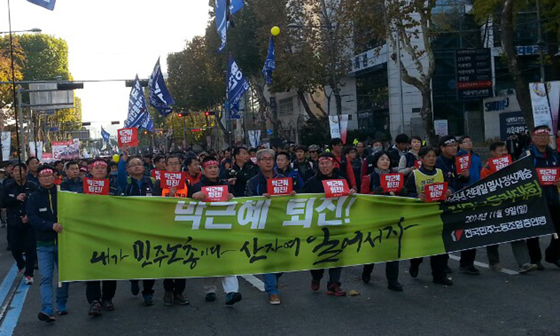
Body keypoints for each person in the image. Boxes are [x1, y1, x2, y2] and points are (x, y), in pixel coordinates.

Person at [188, 156, 242, 306]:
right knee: (210, 259)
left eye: (215, 167)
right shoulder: (196, 186)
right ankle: (209, 289)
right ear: (203, 170)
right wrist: (193, 196)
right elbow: (185, 206)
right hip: (205, 229)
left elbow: (238, 202)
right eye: (209, 168)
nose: (213, 170)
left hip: (225, 227)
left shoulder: (226, 186)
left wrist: (232, 197)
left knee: (227, 259)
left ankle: (231, 292)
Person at [300, 152, 355, 297]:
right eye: (321, 163)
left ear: (333, 164)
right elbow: (301, 198)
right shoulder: (312, 182)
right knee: (318, 255)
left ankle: (334, 284)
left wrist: (352, 193)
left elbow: (350, 198)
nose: (324, 166)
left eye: (327, 163)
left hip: (337, 223)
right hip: (318, 225)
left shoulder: (341, 180)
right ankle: (316, 276)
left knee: (337, 253)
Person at [480, 142, 537, 273]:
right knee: (494, 233)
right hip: (495, 206)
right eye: (501, 150)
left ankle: (524, 262)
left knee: (516, 230)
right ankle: (494, 261)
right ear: (493, 153)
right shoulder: (487, 169)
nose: (504, 152)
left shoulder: (513, 165)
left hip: (512, 205)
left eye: (505, 150)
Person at [27, 165, 70, 323]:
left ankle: (61, 302)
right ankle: (47, 308)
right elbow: (33, 218)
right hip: (43, 244)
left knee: (63, 276)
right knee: (45, 278)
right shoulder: (33, 197)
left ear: (54, 177)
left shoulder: (63, 194)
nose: (46, 178)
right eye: (43, 176)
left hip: (64, 242)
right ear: (38, 178)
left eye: (49, 175)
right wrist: (50, 225)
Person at [405, 146, 453, 286]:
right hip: (421, 216)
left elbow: (450, 187)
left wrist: (450, 190)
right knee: (420, 247)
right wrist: (416, 196)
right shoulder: (415, 175)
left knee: (440, 247)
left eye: (433, 156)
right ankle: (415, 263)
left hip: (437, 214)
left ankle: (439, 275)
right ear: (421, 159)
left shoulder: (440, 172)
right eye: (428, 156)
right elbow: (406, 193)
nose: (432, 159)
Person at [117, 146, 157, 306]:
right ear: (128, 169)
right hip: (131, 228)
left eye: (139, 164)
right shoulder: (126, 183)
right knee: (134, 257)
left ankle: (148, 291)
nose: (137, 166)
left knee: (150, 259)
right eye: (133, 165)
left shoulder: (152, 182)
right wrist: (123, 157)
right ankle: (134, 279)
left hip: (150, 227)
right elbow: (120, 173)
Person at [360, 151, 404, 291]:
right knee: (373, 248)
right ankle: (367, 270)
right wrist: (375, 194)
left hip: (392, 217)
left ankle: (393, 281)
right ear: (376, 162)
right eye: (382, 159)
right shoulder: (369, 178)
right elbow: (362, 197)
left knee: (392, 249)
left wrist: (403, 192)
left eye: (387, 160)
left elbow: (402, 196)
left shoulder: (396, 177)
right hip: (374, 218)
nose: (385, 162)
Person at [245, 149, 285, 304]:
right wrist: (258, 199)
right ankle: (272, 290)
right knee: (268, 257)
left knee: (284, 258)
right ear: (258, 162)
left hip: (282, 225)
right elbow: (246, 203)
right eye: (264, 159)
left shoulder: (283, 179)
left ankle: (274, 278)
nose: (268, 162)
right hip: (262, 226)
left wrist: (294, 195)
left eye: (271, 159)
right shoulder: (253, 182)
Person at [520, 126, 560, 269]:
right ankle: (535, 259)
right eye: (540, 135)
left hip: (554, 198)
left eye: (546, 135)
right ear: (533, 138)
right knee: (534, 230)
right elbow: (520, 176)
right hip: (535, 200)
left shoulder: (555, 155)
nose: (544, 137)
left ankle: (553, 255)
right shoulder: (527, 155)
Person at [85, 159, 121, 316]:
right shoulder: (82, 187)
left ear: (107, 171)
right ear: (90, 170)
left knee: (109, 266)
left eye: (102, 168)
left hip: (110, 233)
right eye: (96, 167)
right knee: (92, 267)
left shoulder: (114, 187)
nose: (99, 170)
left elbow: (124, 205)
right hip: (89, 233)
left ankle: (107, 298)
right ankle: (94, 300)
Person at [153, 154, 190, 306]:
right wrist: (169, 196)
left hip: (183, 225)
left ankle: (179, 292)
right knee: (168, 258)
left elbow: (194, 197)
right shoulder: (158, 183)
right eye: (171, 164)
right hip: (165, 226)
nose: (174, 166)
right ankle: (168, 290)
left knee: (182, 259)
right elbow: (153, 203)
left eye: (177, 163)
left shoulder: (186, 181)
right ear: (165, 166)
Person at [436, 135, 474, 275]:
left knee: (469, 229)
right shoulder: (438, 162)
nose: (454, 147)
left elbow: (462, 180)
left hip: (460, 200)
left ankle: (467, 263)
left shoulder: (459, 160)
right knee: (445, 233)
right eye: (450, 145)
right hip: (444, 203)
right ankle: (442, 263)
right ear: (442, 148)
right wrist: (447, 189)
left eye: (455, 145)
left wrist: (465, 176)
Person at [1, 163, 37, 285]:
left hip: (29, 222)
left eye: (20, 171)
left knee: (30, 249)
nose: (17, 173)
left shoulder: (33, 186)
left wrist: (29, 215)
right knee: (15, 247)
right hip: (13, 221)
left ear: (26, 172)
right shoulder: (8, 186)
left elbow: (36, 203)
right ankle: (21, 264)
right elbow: (3, 202)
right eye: (15, 171)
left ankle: (29, 274)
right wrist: (15, 199)